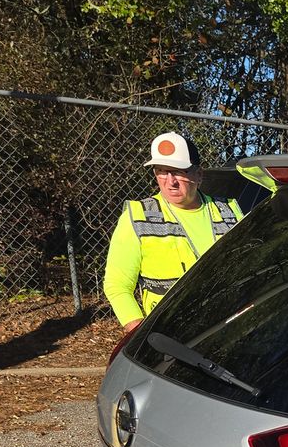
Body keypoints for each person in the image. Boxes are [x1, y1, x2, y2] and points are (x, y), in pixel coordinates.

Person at [102, 131, 243, 330]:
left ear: (199, 174)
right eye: (161, 171)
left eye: (179, 171)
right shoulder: (138, 216)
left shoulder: (229, 210)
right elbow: (117, 286)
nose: (170, 181)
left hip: (224, 329)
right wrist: (139, 335)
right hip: (167, 335)